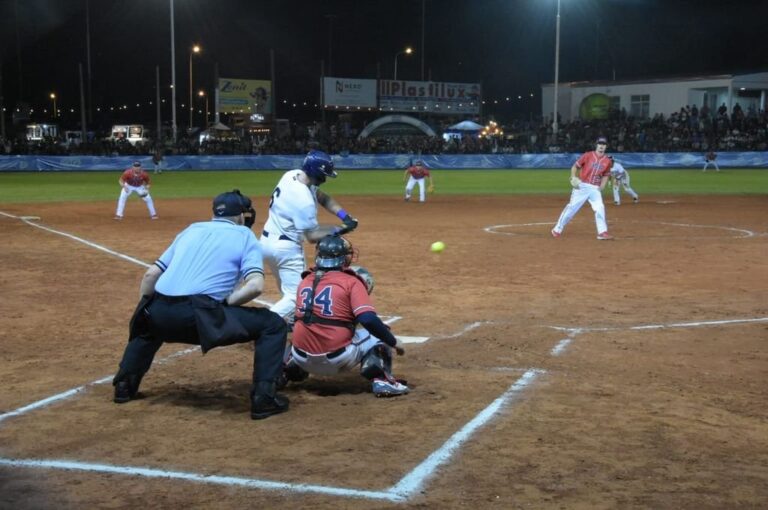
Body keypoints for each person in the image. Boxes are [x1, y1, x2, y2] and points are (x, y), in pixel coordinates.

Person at [111, 190, 290, 420]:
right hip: (200, 318)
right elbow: (255, 286)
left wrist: (147, 310)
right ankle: (264, 398)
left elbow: (150, 275)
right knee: (273, 324)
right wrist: (226, 303)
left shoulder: (191, 229)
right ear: (241, 216)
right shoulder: (245, 237)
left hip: (161, 311)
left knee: (147, 326)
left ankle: (125, 385)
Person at [279, 235, 409, 397]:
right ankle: (383, 381)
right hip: (337, 360)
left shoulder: (304, 281)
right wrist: (393, 342)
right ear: (342, 259)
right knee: (381, 332)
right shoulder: (351, 282)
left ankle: (282, 373)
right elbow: (367, 318)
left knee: (304, 329)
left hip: (301, 359)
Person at [260, 149, 359, 324]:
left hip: (266, 243)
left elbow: (322, 197)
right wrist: (342, 228)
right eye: (323, 176)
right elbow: (311, 236)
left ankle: (289, 321)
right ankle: (261, 324)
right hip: (286, 250)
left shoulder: (293, 175)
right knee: (297, 295)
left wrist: (345, 216)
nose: (325, 180)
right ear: (315, 173)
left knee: (288, 288)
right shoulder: (303, 200)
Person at [551, 136, 614, 240]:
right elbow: (575, 166)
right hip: (582, 186)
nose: (601, 146)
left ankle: (602, 232)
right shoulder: (588, 155)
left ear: (606, 146)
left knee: (600, 208)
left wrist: (602, 185)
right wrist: (573, 176)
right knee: (572, 208)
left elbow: (606, 174)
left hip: (595, 188)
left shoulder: (607, 161)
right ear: (596, 145)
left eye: (604, 144)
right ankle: (557, 229)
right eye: (600, 144)